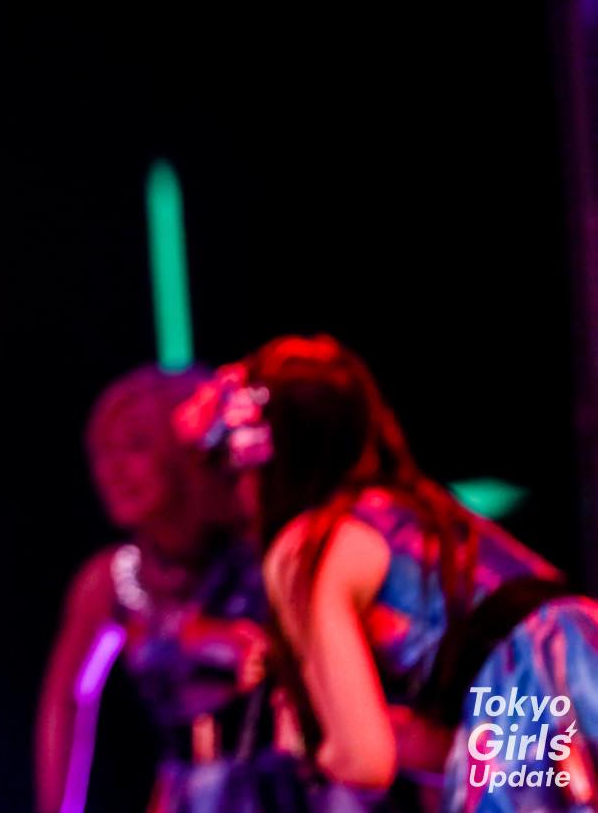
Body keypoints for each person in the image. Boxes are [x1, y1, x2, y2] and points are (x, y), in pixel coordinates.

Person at [174, 335, 598, 812]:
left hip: (527, 691)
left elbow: (363, 762)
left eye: (232, 472)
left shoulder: (307, 545)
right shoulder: (411, 511)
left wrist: (313, 751)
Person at [35, 365, 269, 813]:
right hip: (184, 796)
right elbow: (66, 703)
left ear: (186, 452)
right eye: (103, 452)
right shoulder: (114, 578)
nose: (115, 471)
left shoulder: (257, 552)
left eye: (137, 446)